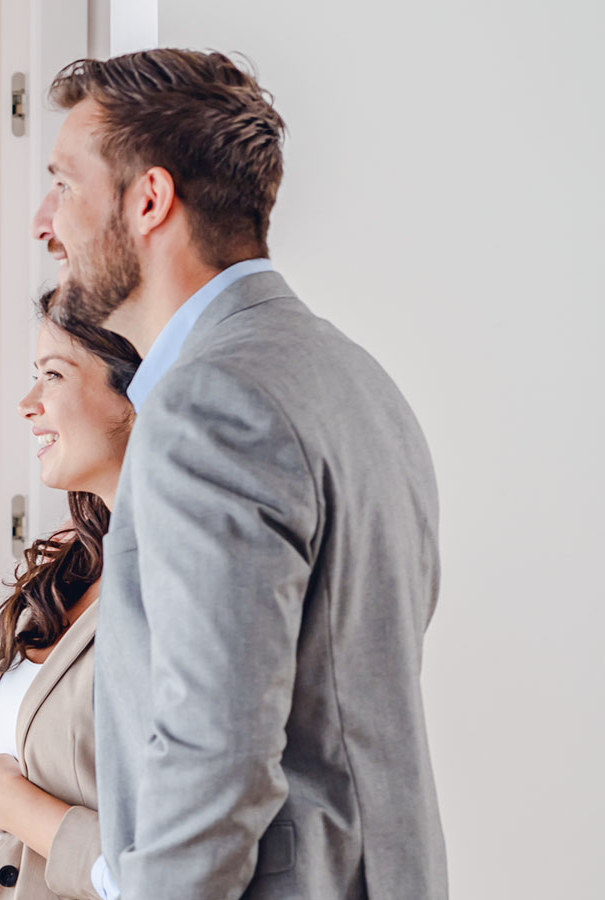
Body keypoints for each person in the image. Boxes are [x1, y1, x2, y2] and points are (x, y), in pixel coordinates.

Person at [35, 50, 446, 899]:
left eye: (64, 185)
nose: (45, 222)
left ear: (148, 201)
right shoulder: (356, 378)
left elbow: (212, 762)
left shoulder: (209, 405)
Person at [0, 290, 137, 900]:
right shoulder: (75, 567)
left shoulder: (181, 593)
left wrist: (13, 806)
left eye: (53, 375)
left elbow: (180, 871)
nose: (28, 405)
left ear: (136, 395)